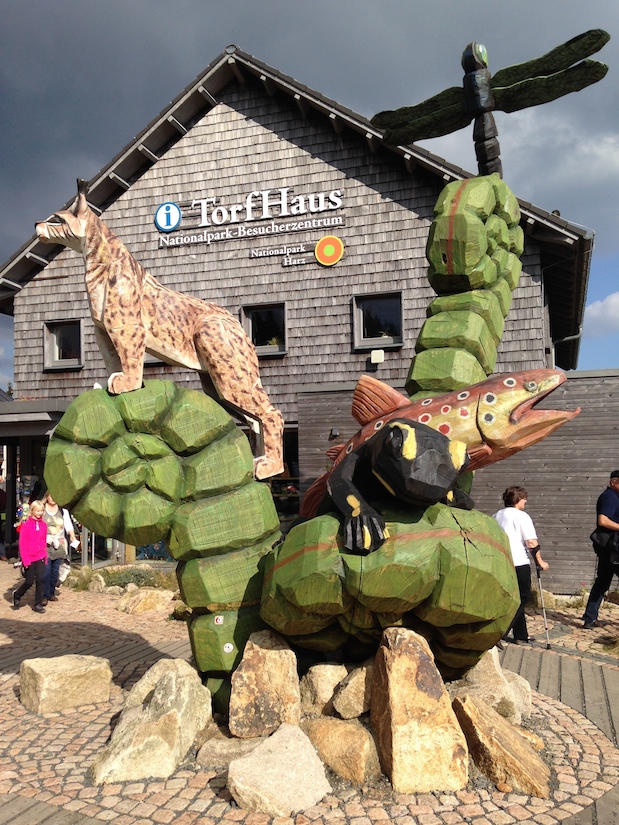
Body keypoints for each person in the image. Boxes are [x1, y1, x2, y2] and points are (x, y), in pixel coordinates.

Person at [493, 485, 548, 645]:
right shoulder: (521, 516)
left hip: (502, 562)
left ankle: (521, 635)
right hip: (519, 562)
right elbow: (531, 542)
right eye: (524, 499)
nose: (525, 502)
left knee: (511, 599)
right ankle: (500, 632)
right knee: (522, 598)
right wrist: (540, 561)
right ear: (518, 500)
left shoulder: (496, 515)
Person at [582, 470, 619, 629]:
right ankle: (590, 617)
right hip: (611, 547)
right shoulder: (610, 496)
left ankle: (590, 617)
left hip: (610, 547)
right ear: (613, 482)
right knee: (602, 581)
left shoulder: (614, 496)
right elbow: (603, 520)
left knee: (602, 581)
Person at [12, 499, 48, 613]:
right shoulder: (26, 526)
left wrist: (45, 556)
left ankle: (38, 603)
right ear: (32, 511)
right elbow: (22, 544)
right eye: (38, 511)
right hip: (29, 557)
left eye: (41, 511)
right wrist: (25, 559)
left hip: (40, 556)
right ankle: (17, 595)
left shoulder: (44, 525)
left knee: (41, 579)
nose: (40, 513)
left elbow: (43, 541)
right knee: (29, 581)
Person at [42, 492, 77, 604]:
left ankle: (51, 592)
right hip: (45, 545)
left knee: (55, 572)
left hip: (59, 546)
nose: (53, 498)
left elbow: (68, 525)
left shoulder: (63, 511)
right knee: (46, 571)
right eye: (51, 495)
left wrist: (72, 535)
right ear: (47, 496)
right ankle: (44, 595)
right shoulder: (42, 509)